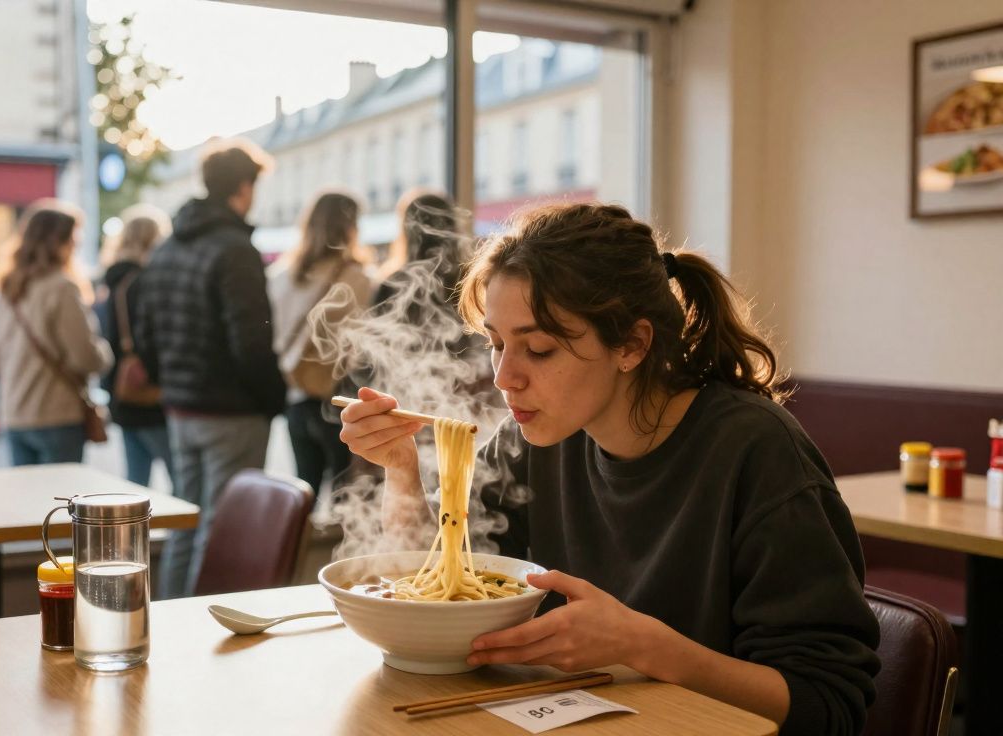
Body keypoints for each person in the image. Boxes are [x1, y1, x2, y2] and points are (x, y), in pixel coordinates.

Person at [338, 203, 880, 735]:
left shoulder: (757, 453)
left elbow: (827, 704)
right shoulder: (537, 438)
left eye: (540, 349)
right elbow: (434, 594)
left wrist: (645, 646)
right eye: (497, 345)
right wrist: (402, 470)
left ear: (632, 344)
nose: (504, 378)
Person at [134, 138, 285, 599]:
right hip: (230, 412)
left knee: (185, 522)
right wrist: (271, 400)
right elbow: (252, 341)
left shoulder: (168, 248)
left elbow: (145, 330)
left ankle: (169, 619)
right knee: (219, 530)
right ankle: (199, 632)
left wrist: (169, 383)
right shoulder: (235, 249)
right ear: (244, 186)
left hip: (180, 409)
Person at [0, 200, 112, 466]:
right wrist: (104, 353)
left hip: (13, 413)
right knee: (61, 501)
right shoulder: (62, 287)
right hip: (56, 413)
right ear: (62, 241)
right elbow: (85, 357)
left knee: (28, 502)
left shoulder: (5, 289)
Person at [267, 192, 371, 498]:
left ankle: (295, 545)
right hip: (336, 400)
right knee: (345, 496)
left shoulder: (280, 275)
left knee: (304, 492)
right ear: (350, 226)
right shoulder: (356, 278)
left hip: (295, 397)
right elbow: (361, 345)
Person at [97, 204, 174, 488]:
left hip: (123, 392)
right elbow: (154, 339)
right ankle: (181, 534)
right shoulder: (146, 282)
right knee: (181, 482)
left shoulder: (113, 281)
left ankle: (134, 533)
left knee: (135, 483)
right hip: (149, 393)